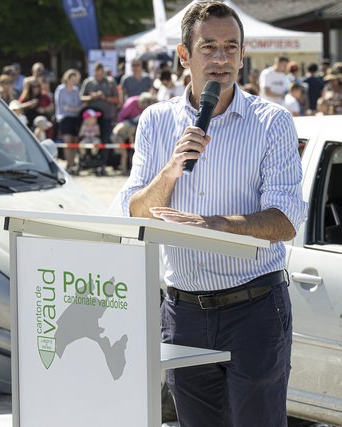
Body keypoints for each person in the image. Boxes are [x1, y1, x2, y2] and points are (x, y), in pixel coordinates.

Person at [118, 2, 307, 426]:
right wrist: (171, 168)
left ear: (242, 56)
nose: (221, 59)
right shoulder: (155, 121)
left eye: (231, 47)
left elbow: (286, 220)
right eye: (209, 47)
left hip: (254, 309)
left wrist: (215, 226)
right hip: (182, 312)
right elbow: (134, 211)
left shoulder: (272, 123)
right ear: (184, 55)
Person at [80, 62, 119, 140]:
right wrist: (91, 97)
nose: (99, 76)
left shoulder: (110, 82)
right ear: (94, 72)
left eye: (101, 74)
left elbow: (117, 99)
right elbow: (81, 98)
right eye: (97, 74)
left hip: (107, 117)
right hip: (92, 120)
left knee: (107, 139)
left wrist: (104, 97)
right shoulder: (88, 82)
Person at [54, 68, 83, 174]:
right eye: (72, 79)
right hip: (64, 118)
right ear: (67, 78)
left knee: (75, 141)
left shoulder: (76, 90)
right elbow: (60, 106)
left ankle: (72, 163)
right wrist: (72, 109)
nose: (74, 81)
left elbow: (79, 105)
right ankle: (69, 163)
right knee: (67, 141)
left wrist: (73, 109)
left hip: (75, 118)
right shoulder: (60, 89)